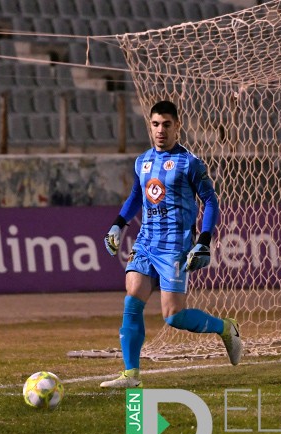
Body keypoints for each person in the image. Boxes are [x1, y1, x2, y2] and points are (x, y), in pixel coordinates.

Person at [100, 100, 242, 389]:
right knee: (132, 298)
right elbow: (136, 198)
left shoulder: (190, 163)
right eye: (155, 124)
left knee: (174, 316)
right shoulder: (142, 162)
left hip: (175, 245)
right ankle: (131, 375)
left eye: (166, 124)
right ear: (150, 126)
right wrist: (118, 224)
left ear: (178, 127)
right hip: (145, 242)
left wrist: (203, 240)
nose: (160, 130)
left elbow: (211, 202)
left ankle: (225, 327)